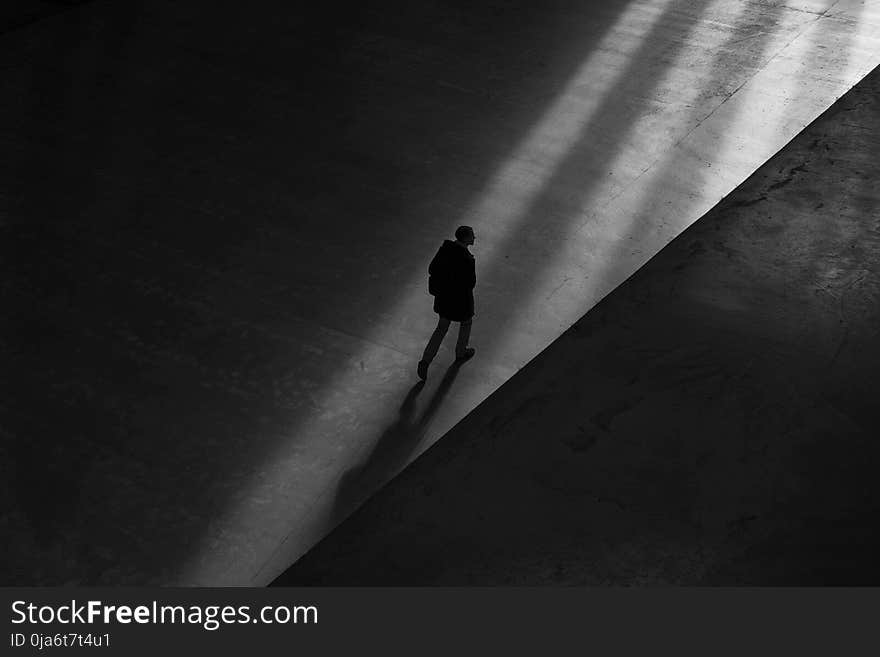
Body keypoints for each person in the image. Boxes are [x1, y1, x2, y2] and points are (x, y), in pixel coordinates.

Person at [417, 226, 477, 380]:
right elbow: (471, 283)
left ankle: (425, 360)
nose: (474, 238)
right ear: (465, 239)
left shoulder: (445, 250)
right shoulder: (467, 259)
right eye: (472, 236)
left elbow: (432, 268)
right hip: (460, 301)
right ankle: (460, 352)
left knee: (441, 328)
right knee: (466, 323)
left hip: (444, 298)